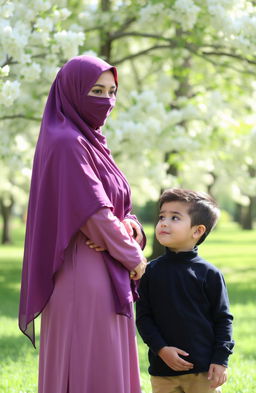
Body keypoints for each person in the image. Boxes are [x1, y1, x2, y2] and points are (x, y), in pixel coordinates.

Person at [19, 55, 147, 393]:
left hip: (107, 266)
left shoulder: (90, 141)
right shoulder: (66, 142)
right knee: (90, 363)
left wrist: (133, 230)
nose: (106, 101)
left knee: (106, 362)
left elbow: (120, 207)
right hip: (82, 273)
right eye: (96, 90)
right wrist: (134, 258)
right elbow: (94, 211)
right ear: (72, 92)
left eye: (111, 91)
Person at [136, 188, 234, 393]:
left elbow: (223, 319)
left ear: (197, 231)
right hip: (163, 371)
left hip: (204, 370)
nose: (164, 222)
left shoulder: (210, 274)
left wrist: (220, 360)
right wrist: (161, 349)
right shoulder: (151, 272)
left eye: (174, 217)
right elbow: (144, 317)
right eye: (162, 216)